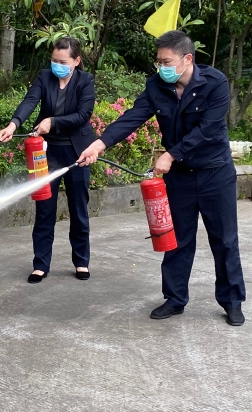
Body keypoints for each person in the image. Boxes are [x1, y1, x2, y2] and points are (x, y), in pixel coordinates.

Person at [77, 30, 246, 326]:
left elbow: (208, 129)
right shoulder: (156, 86)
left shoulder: (215, 82)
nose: (161, 67)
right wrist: (99, 144)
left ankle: (232, 301)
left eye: (167, 62)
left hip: (215, 174)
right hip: (180, 178)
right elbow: (133, 117)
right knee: (176, 239)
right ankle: (175, 298)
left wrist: (170, 154)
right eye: (159, 61)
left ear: (187, 59)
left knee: (224, 240)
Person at [0, 37, 96, 284]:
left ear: (76, 61)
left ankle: (81, 261)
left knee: (78, 209)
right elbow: (30, 101)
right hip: (46, 153)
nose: (57, 65)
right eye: (54, 60)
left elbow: (83, 115)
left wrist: (53, 121)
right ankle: (40, 264)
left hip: (77, 152)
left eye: (63, 62)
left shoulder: (86, 81)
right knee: (44, 209)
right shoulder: (44, 77)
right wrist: (13, 124)